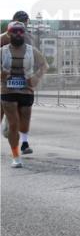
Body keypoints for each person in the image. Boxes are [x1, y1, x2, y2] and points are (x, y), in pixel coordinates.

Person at [1, 21, 48, 167]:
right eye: (15, 31)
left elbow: (44, 65)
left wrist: (36, 77)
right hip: (7, 90)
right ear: (9, 33)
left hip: (26, 90)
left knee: (24, 122)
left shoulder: (31, 50)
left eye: (21, 31)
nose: (18, 34)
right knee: (14, 124)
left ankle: (24, 140)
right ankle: (16, 156)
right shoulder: (2, 51)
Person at [1, 11, 32, 142]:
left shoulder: (26, 38)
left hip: (20, 80)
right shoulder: (3, 38)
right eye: (24, 22)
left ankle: (16, 135)